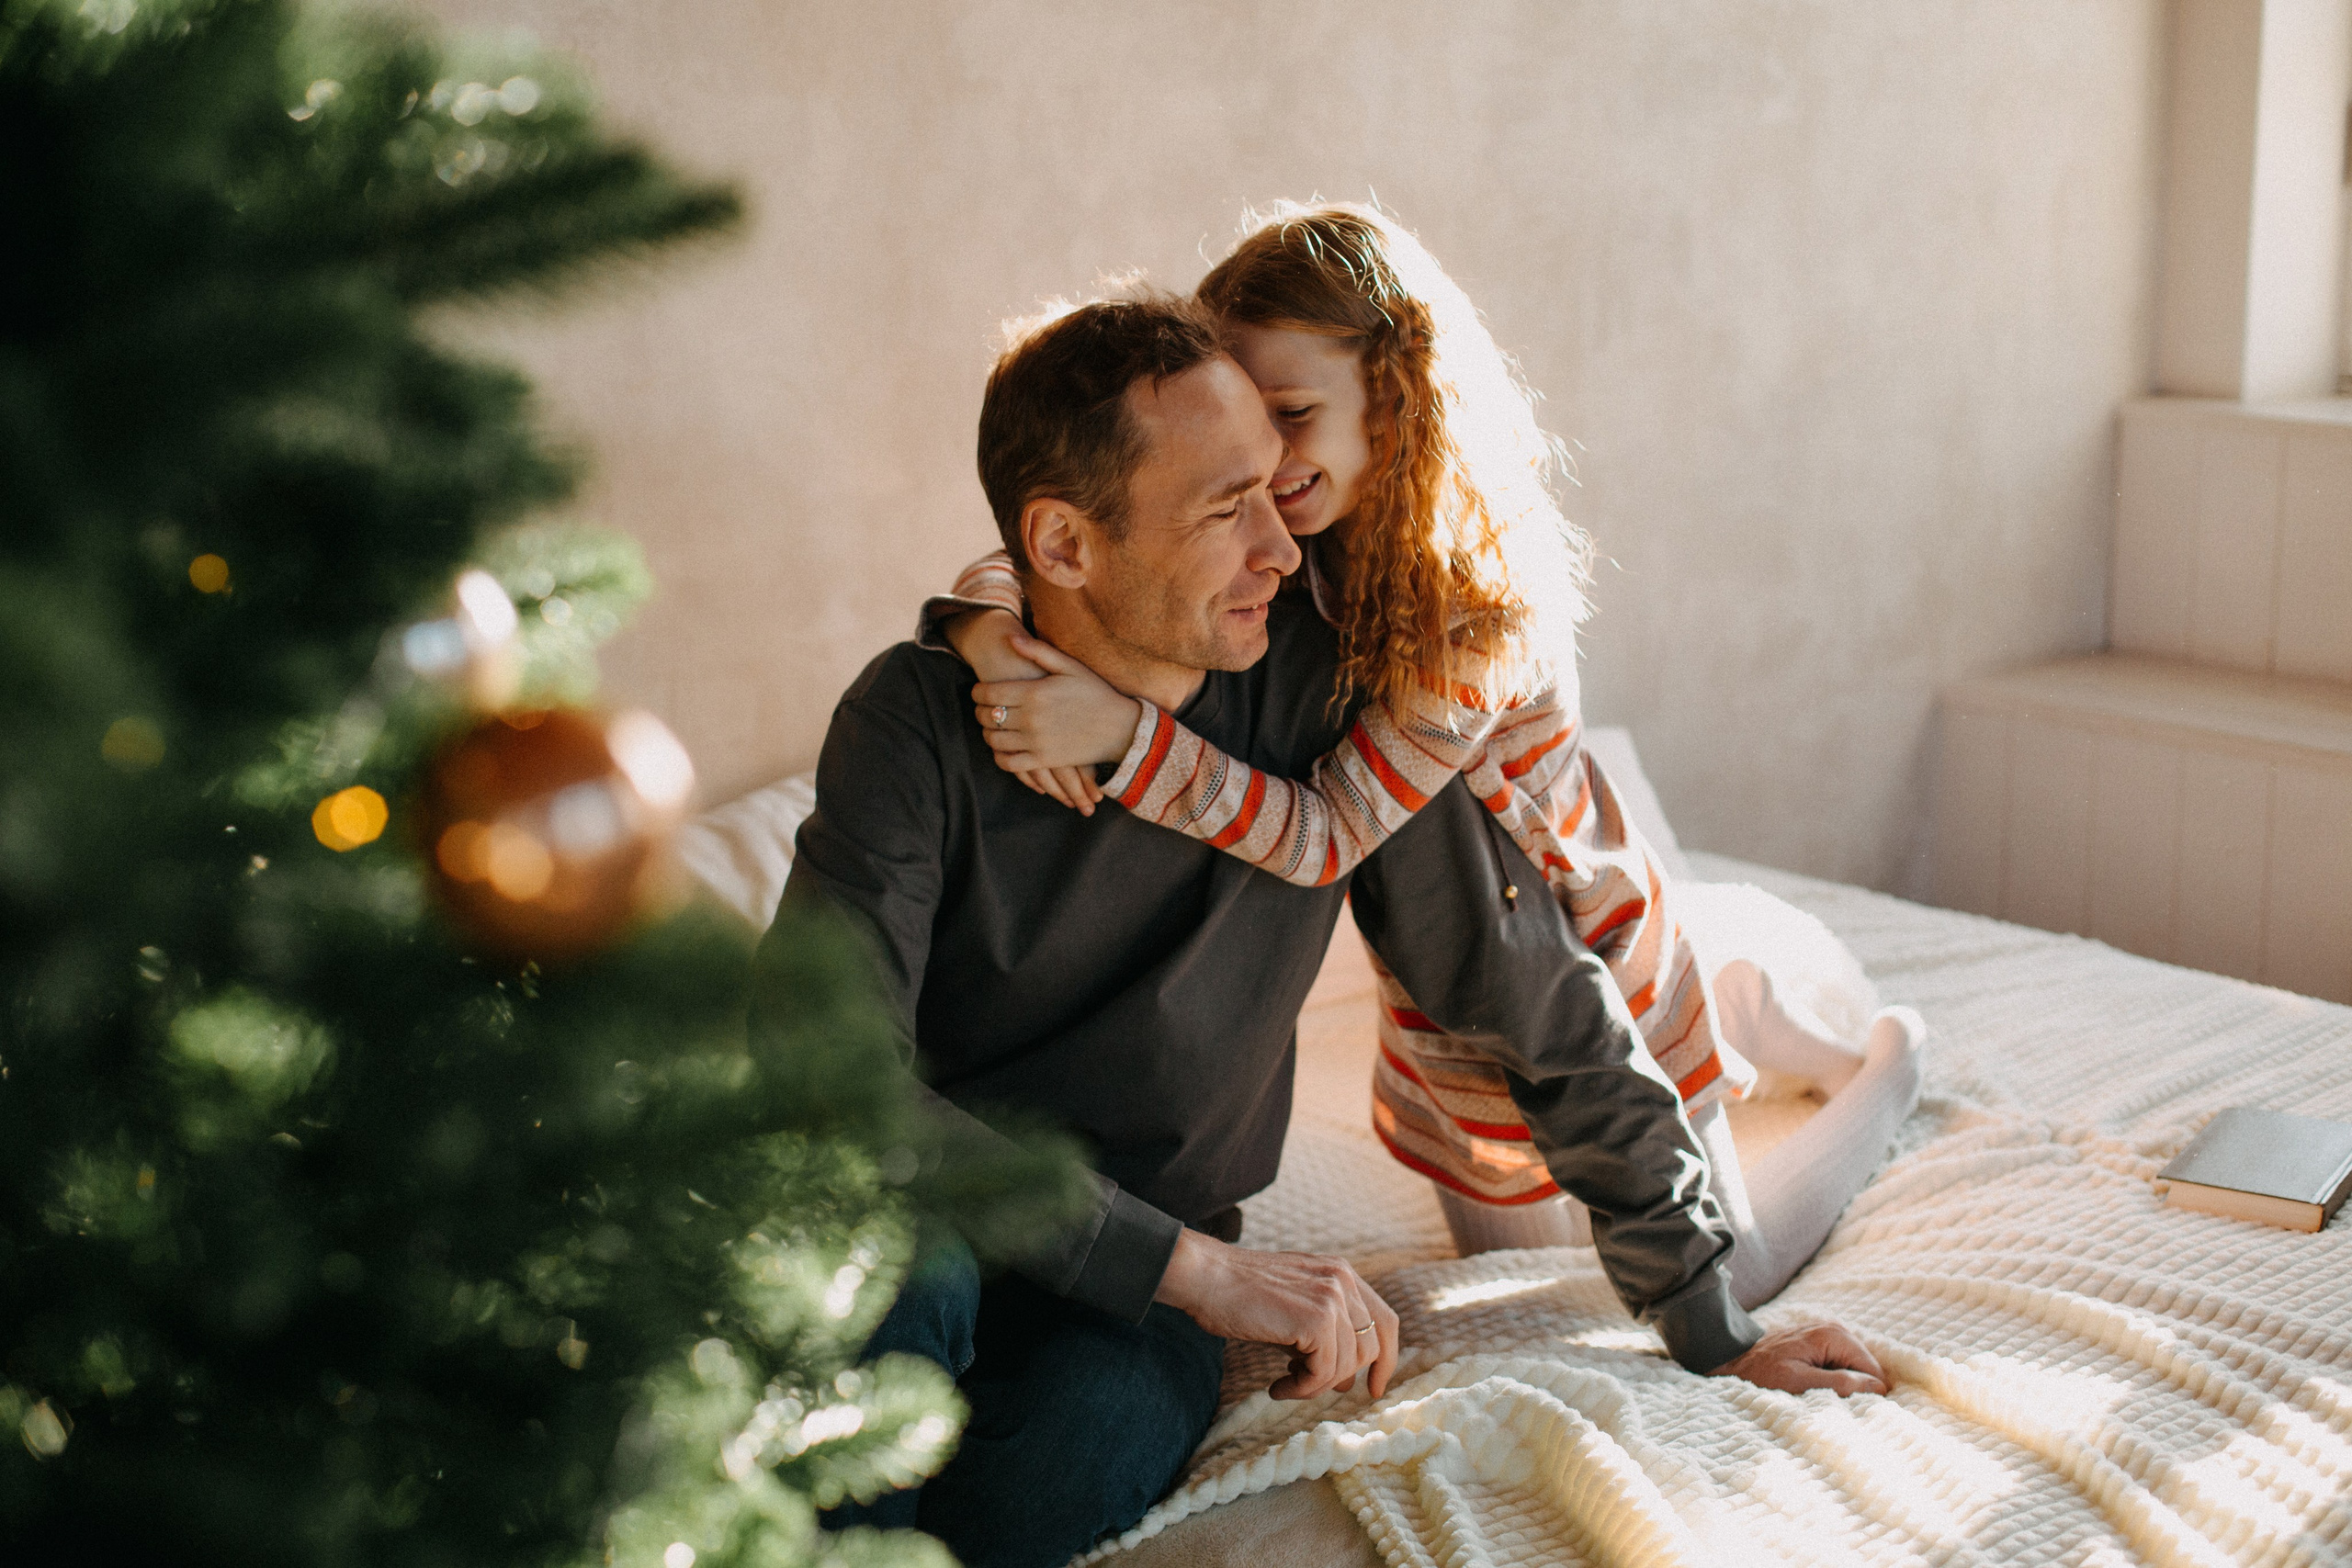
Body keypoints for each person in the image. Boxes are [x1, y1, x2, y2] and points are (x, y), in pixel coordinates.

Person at [770, 292, 1883, 1567]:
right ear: (1064, 548)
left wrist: (1712, 1319)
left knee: (1036, 1491)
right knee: (884, 1275)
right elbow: (825, 1077)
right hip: (938, 1214)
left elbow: (1526, 986)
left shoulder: (1334, 705)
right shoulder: (918, 716)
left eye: (1272, 488)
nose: (1284, 550)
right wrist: (1196, 1267)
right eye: (1220, 508)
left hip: (1135, 1306)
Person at [926, 205, 1924, 1311]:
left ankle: (1886, 1065)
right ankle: (1744, 981)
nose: (1267, 457)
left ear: (1395, 398)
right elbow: (1057, 544)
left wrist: (1122, 740)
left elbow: (1324, 835)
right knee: (1517, 1272)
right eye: (1248, 426)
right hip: (1448, 1017)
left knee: (1734, 1272)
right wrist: (979, 633)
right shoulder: (1286, 550)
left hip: (1588, 969)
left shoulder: (1478, 619)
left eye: (1295, 413)